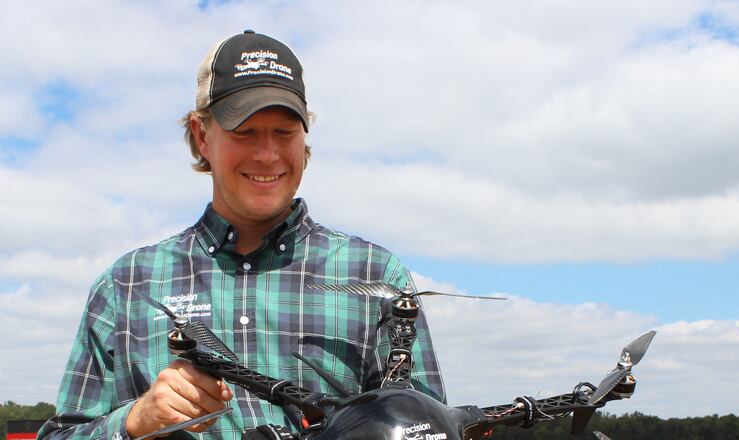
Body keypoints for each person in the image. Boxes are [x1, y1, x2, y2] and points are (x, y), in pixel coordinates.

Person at [39, 30, 445, 440]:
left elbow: (430, 428)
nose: (267, 154)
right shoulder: (126, 285)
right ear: (202, 137)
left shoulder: (377, 274)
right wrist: (135, 421)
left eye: (284, 132)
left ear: (305, 137)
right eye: (245, 132)